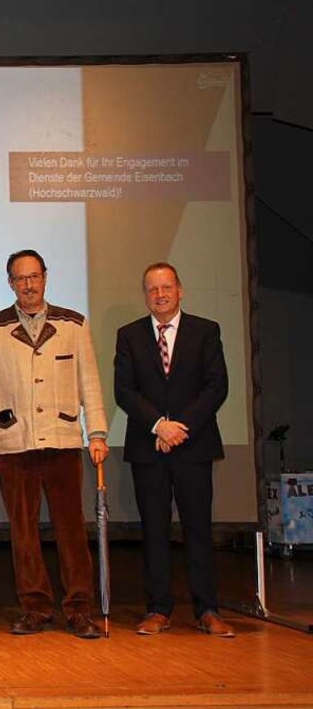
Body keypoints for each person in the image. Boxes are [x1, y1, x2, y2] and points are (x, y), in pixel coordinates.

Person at [0, 249, 107, 640]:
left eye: (34, 276)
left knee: (71, 529)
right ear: (10, 283)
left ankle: (79, 609)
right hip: (14, 444)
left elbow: (91, 383)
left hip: (64, 441)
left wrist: (96, 432)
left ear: (45, 277)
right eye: (20, 278)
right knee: (24, 531)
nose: (28, 284)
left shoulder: (74, 324)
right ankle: (34, 607)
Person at [114, 262, 233, 638]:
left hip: (193, 446)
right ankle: (158, 608)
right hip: (148, 447)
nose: (160, 295)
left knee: (198, 529)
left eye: (166, 287)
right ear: (144, 294)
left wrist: (180, 427)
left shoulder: (206, 331)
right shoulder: (129, 335)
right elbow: (124, 390)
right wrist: (158, 426)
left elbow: (217, 387)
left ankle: (207, 609)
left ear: (180, 290)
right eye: (152, 289)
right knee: (154, 530)